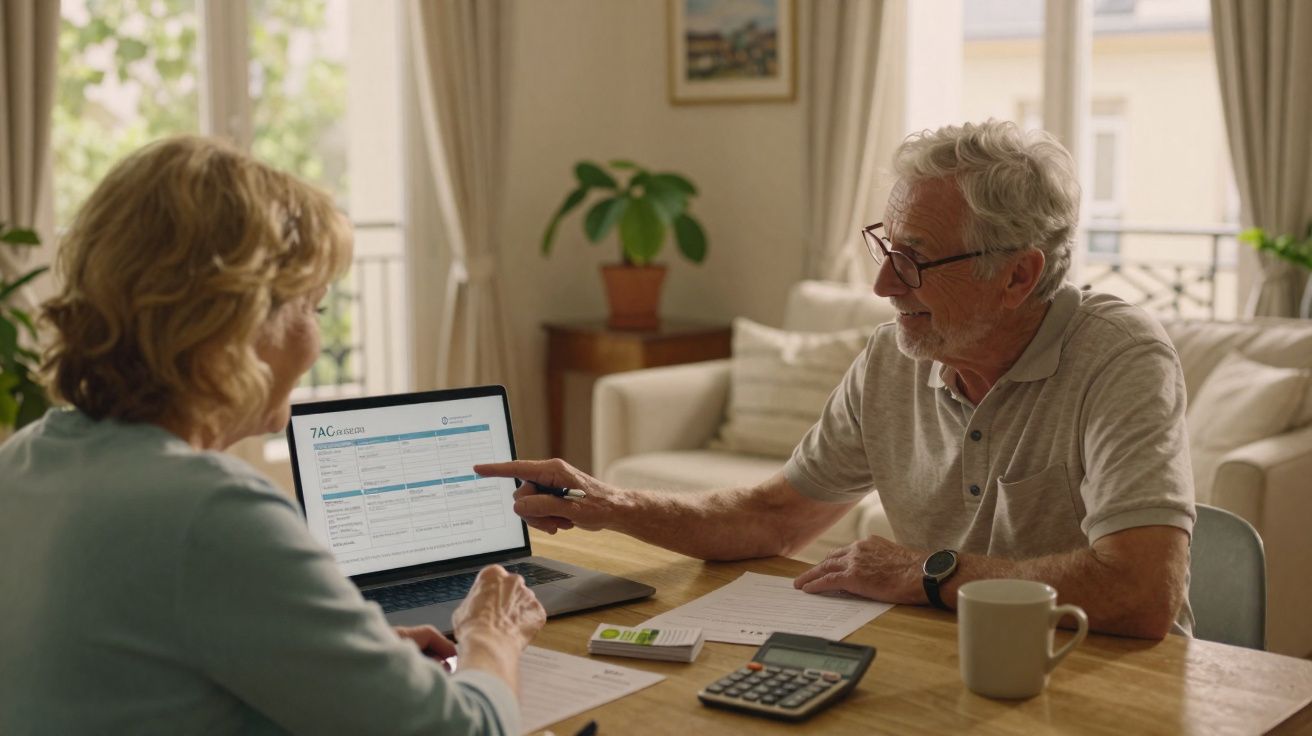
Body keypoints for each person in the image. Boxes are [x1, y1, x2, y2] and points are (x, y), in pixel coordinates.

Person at [479, 120, 1195, 640]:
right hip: (946, 662)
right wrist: (612, 502)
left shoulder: (1120, 356)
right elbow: (771, 516)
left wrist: (926, 573)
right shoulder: (895, 358)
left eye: (914, 257)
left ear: (1018, 275)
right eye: (885, 244)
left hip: (1103, 675)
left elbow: (1139, 592)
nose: (883, 284)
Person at [0, 136, 544, 734]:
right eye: (312, 307)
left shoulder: (23, 461)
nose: (315, 339)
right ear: (238, 322)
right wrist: (490, 633)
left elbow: (128, 670)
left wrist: (332, 654)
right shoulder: (210, 511)